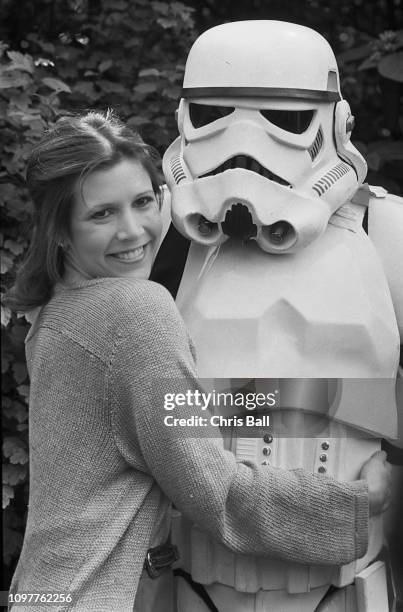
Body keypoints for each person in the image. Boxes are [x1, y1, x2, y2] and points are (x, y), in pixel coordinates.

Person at [5, 111, 391, 612]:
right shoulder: (133, 311)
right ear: (60, 229)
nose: (133, 231)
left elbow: (153, 422)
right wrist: (357, 506)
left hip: (43, 589)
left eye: (143, 202)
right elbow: (213, 488)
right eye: (101, 214)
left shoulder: (54, 312)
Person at [161, 20, 402, 612]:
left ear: (336, 123)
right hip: (193, 578)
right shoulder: (156, 244)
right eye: (215, 115)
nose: (245, 146)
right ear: (183, 119)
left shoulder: (388, 234)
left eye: (284, 119)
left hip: (348, 584)